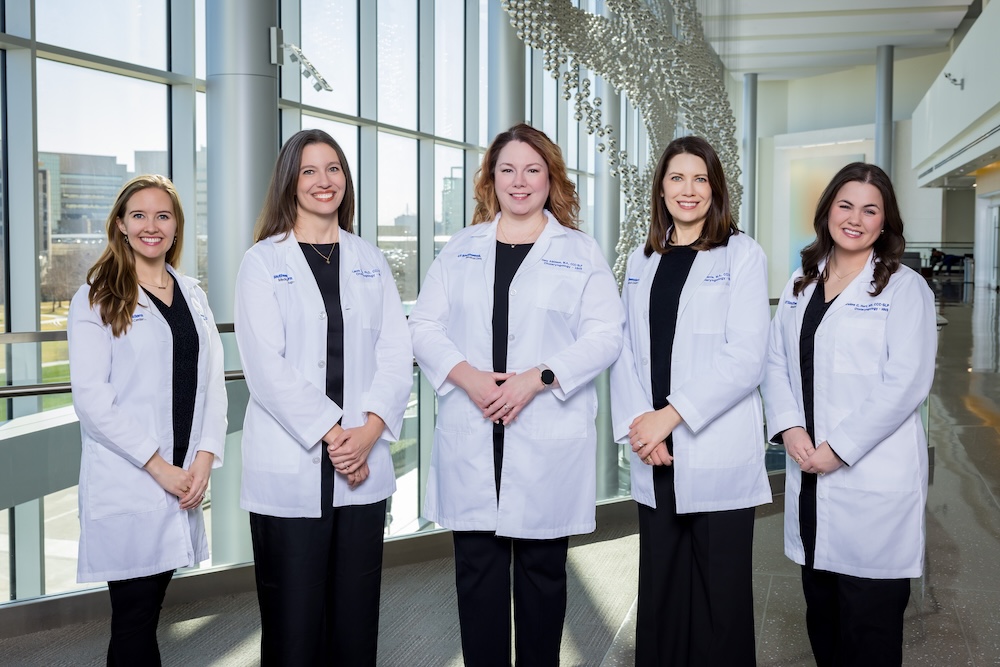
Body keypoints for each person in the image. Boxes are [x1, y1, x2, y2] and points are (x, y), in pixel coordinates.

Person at [409, 123, 624, 666]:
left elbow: (605, 335)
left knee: (542, 578)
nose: (520, 181)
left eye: (533, 169)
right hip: (474, 425)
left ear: (551, 179)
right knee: (477, 580)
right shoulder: (461, 249)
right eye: (508, 169)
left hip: (544, 431)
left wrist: (539, 377)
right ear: (491, 179)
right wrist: (470, 377)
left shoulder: (578, 251)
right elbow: (425, 327)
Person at [234, 129, 413, 666]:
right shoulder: (262, 262)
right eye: (309, 170)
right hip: (296, 467)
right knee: (294, 629)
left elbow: (395, 352)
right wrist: (339, 439)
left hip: (361, 465)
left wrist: (370, 432)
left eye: (333, 168)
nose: (323, 181)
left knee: (356, 624)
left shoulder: (369, 259)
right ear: (291, 182)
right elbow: (266, 369)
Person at [763, 162, 937, 667]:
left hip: (869, 481)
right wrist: (790, 427)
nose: (855, 219)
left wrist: (838, 449)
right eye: (846, 205)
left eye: (870, 209)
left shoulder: (905, 288)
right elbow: (777, 359)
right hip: (810, 474)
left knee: (870, 627)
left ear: (886, 222)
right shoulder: (802, 279)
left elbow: (905, 383)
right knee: (824, 619)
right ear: (827, 211)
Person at [609, 136, 772, 666]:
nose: (688, 189)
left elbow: (746, 358)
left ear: (715, 189)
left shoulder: (743, 255)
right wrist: (641, 426)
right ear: (660, 187)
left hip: (711, 448)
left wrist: (667, 418)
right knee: (661, 594)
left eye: (700, 178)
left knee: (719, 600)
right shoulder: (642, 257)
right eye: (677, 177)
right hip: (655, 453)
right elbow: (625, 349)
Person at [68, 174, 227, 666]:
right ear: (120, 225)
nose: (150, 226)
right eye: (138, 215)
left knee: (147, 611)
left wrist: (202, 460)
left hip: (183, 476)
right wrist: (161, 468)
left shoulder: (192, 294)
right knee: (135, 617)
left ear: (176, 227)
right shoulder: (96, 297)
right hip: (135, 480)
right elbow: (94, 402)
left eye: (163, 215)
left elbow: (211, 384)